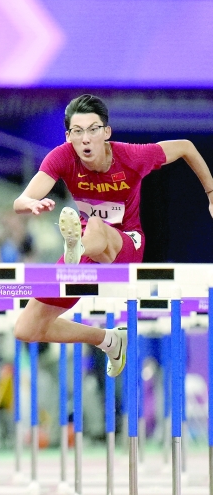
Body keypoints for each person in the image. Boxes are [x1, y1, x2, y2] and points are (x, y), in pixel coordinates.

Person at [13, 94, 213, 377]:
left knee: (93, 226)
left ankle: (76, 250)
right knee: (26, 328)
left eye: (92, 130)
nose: (85, 139)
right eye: (77, 132)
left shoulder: (132, 156)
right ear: (69, 136)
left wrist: (211, 193)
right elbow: (21, 200)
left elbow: (186, 147)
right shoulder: (61, 157)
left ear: (106, 132)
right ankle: (108, 340)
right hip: (85, 255)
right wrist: (30, 204)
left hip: (125, 245)